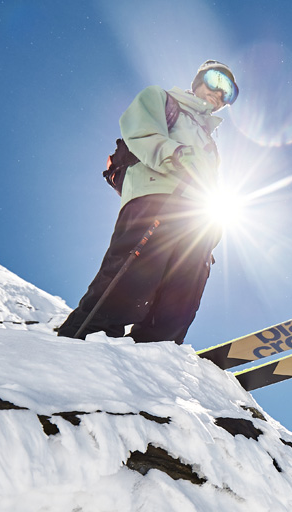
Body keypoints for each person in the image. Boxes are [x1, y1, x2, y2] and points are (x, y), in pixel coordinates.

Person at [58, 60, 239, 343]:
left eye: (229, 92)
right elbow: (140, 132)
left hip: (196, 218)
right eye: (216, 80)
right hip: (156, 196)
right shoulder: (163, 99)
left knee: (184, 292)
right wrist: (178, 155)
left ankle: (156, 351)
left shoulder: (210, 142)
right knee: (134, 277)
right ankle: (85, 338)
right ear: (199, 80)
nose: (219, 92)